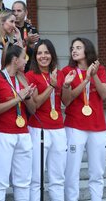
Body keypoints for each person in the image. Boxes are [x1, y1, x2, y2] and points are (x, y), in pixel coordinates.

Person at [26, 39, 74, 201]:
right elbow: (36, 103)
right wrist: (52, 86)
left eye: (46, 52)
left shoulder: (59, 74)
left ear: (52, 55)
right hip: (38, 129)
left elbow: (66, 102)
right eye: (39, 53)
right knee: (36, 178)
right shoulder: (30, 75)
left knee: (58, 178)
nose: (43, 56)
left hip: (58, 129)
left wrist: (66, 86)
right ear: (35, 56)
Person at [61, 37, 106, 201]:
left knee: (97, 172)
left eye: (78, 47)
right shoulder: (67, 71)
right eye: (72, 48)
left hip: (97, 126)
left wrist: (93, 76)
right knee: (72, 170)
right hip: (75, 126)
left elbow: (104, 94)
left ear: (87, 50)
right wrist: (86, 79)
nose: (74, 50)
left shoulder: (99, 69)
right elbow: (66, 100)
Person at [0, 44, 36, 201]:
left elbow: (33, 109)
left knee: (23, 181)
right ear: (15, 60)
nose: (26, 62)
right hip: (3, 133)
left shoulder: (23, 78)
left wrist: (27, 97)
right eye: (24, 58)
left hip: (23, 132)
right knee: (0, 181)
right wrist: (18, 98)